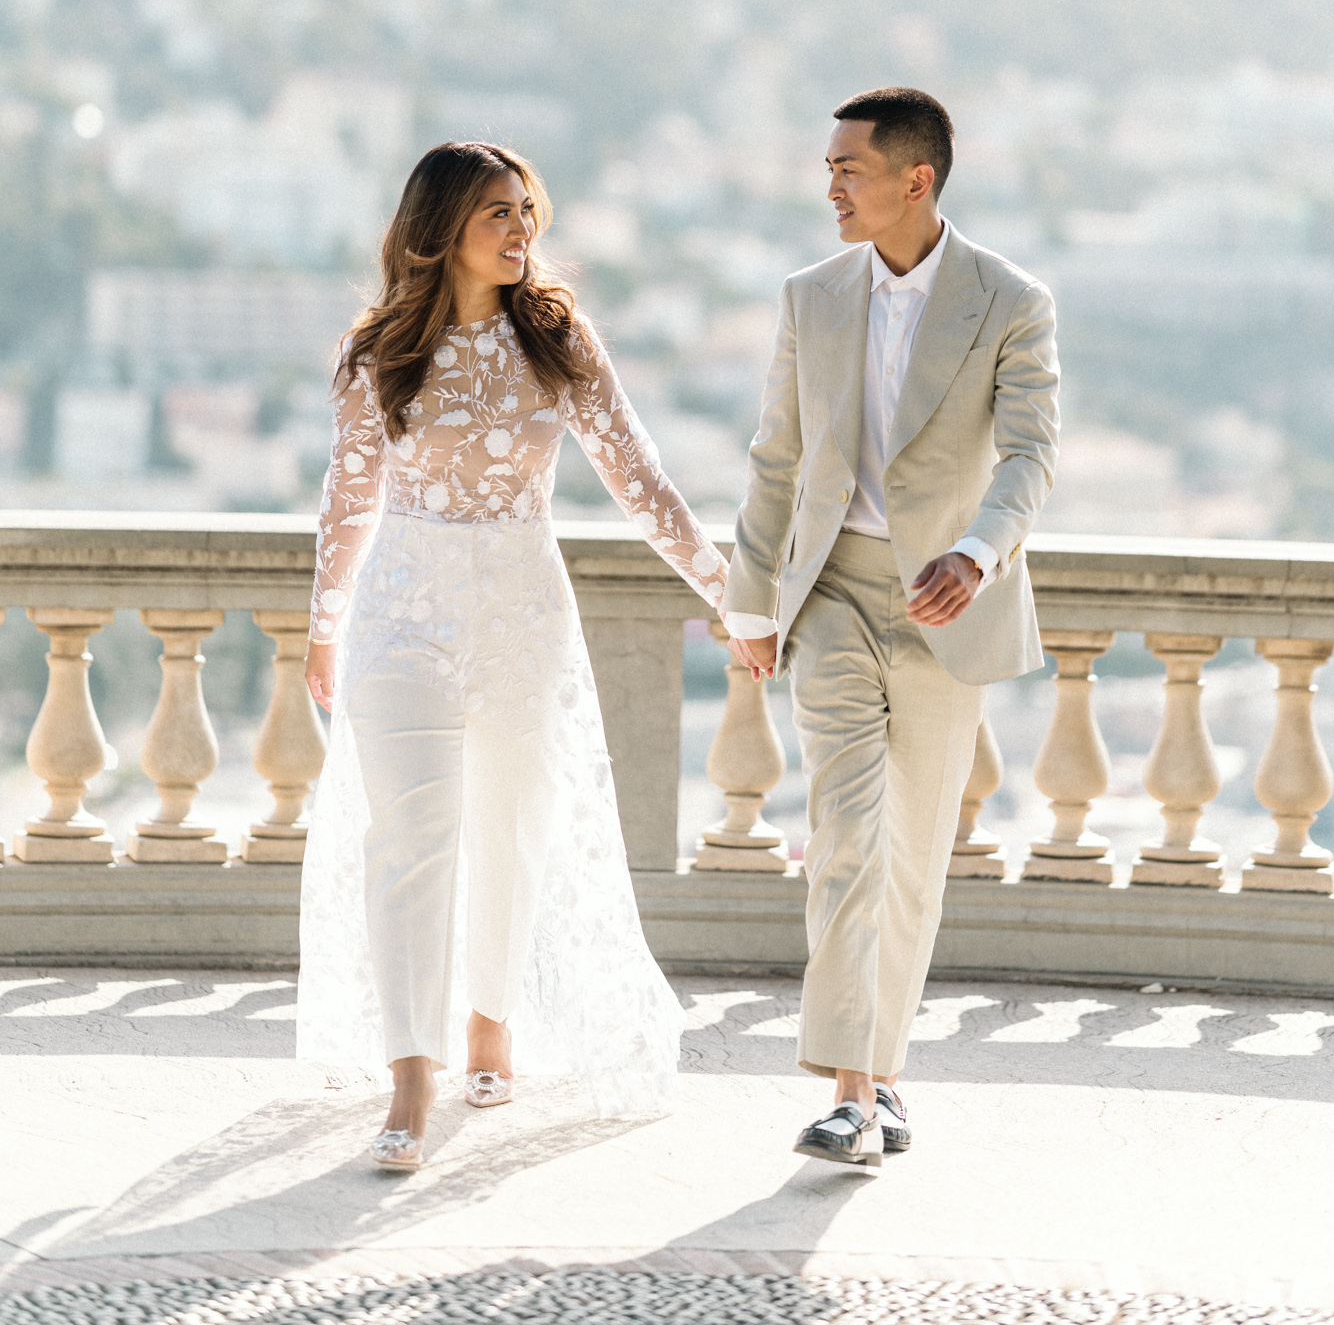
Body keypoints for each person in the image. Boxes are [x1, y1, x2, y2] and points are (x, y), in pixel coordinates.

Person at [297, 140, 730, 1170]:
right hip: (402, 607)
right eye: (498, 211)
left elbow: (639, 477)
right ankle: (411, 1070)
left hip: (519, 610)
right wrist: (324, 625)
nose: (521, 228)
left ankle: (490, 1020)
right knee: (411, 839)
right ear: (441, 225)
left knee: (511, 825)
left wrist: (728, 593)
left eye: (526, 209)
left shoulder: (557, 335)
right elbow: (349, 497)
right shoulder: (379, 351)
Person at [722, 86, 1059, 1169]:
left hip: (943, 596)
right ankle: (852, 1094)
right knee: (848, 832)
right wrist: (749, 598)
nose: (828, 184)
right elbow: (777, 456)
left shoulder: (1008, 298)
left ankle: (881, 1075)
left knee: (910, 850)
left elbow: (1027, 457)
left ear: (915, 179)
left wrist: (976, 550)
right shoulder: (808, 295)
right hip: (828, 593)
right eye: (826, 166)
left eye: (848, 168)